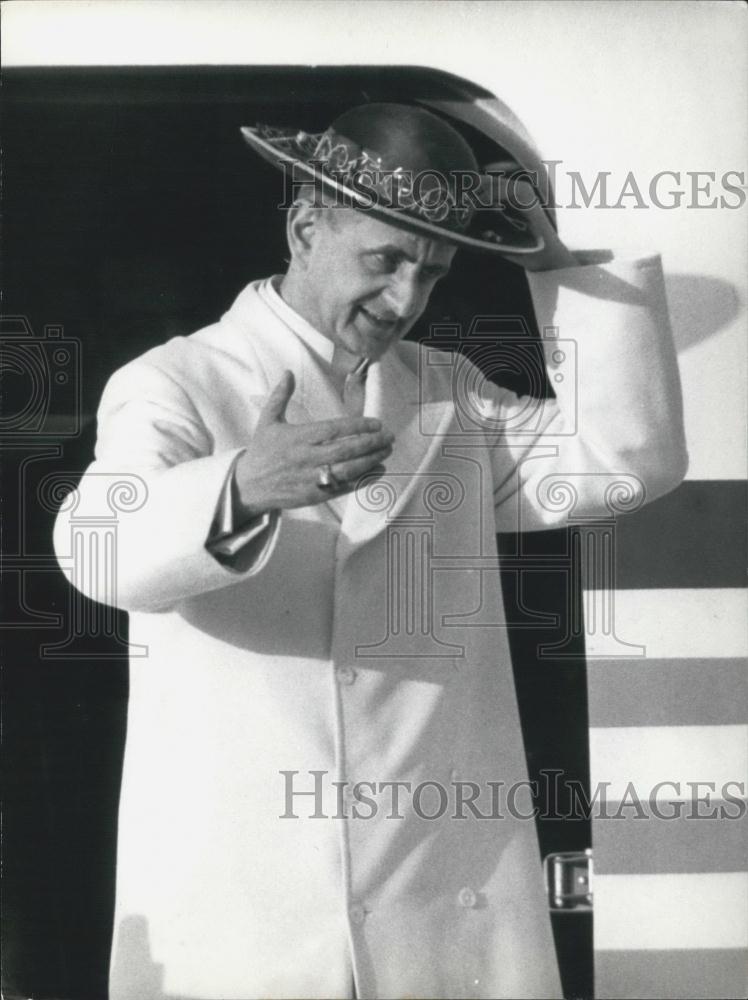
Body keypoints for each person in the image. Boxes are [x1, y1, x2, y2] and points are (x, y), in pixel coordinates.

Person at [54, 102, 688, 999]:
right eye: (384, 261)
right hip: (250, 905)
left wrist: (558, 272)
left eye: (430, 274)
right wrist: (238, 488)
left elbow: (627, 459)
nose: (404, 301)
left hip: (436, 896)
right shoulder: (178, 381)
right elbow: (96, 555)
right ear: (305, 229)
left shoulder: (447, 391)